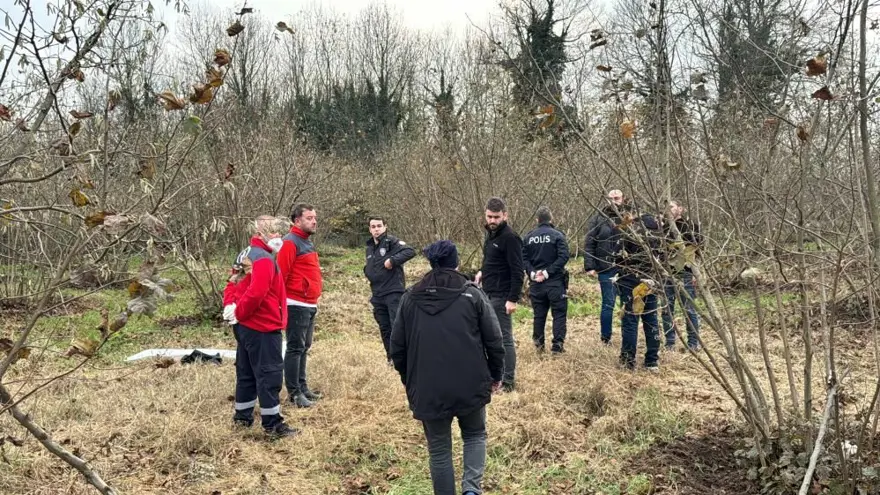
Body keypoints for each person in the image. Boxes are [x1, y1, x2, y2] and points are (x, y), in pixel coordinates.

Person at [390, 240, 504, 495]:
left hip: (428, 388)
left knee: (439, 449)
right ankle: (471, 491)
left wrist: (411, 380)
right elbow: (495, 341)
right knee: (474, 435)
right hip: (471, 383)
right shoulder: (472, 294)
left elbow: (397, 348)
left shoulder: (409, 297)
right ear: (455, 262)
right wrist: (496, 375)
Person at [222, 216, 297, 438]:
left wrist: (231, 307)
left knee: (246, 372)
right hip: (263, 326)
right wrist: (238, 311)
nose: (278, 237)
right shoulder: (263, 259)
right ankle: (273, 424)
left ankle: (242, 417)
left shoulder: (245, 254)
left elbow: (232, 284)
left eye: (279, 233)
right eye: (273, 232)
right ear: (260, 233)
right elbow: (257, 293)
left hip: (244, 326)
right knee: (269, 374)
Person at [474, 197, 524, 392]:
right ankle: (494, 376)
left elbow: (518, 271)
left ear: (505, 215)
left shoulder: (510, 238)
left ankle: (509, 382)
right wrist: (482, 272)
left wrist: (512, 299)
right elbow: (492, 261)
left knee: (504, 339)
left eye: (496, 217)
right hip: (488, 292)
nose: (492, 221)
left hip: (502, 296)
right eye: (489, 217)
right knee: (489, 337)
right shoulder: (491, 235)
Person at [277, 203, 323, 408]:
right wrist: (281, 304)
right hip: (295, 303)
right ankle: (294, 393)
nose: (313, 221)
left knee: (304, 346)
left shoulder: (307, 242)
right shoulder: (289, 242)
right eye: (309, 218)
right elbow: (280, 275)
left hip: (310, 303)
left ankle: (303, 387)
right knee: (295, 348)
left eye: (314, 218)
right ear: (297, 221)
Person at [615, 206, 664, 371]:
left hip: (631, 281)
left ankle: (628, 361)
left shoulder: (631, 231)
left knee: (630, 321)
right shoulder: (659, 232)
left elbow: (620, 257)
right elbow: (664, 259)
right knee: (651, 320)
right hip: (651, 282)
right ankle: (652, 361)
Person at [364, 216, 415, 364]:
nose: (376, 229)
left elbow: (410, 251)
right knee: (384, 327)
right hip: (377, 293)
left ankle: (404, 358)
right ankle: (391, 358)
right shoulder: (369, 246)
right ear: (369, 229)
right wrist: (367, 271)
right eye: (373, 227)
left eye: (379, 226)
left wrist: (392, 261)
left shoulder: (391, 242)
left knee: (397, 326)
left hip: (393, 291)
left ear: (385, 227)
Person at [522, 206, 570, 354]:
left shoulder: (528, 237)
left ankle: (539, 345)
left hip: (536, 283)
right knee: (559, 314)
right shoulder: (558, 235)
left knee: (539, 315)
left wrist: (532, 273)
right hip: (555, 282)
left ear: (537, 220)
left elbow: (523, 258)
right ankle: (557, 346)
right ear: (551, 219)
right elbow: (564, 256)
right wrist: (548, 272)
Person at [584, 189, 627, 344]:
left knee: (627, 304)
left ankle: (627, 336)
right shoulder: (598, 219)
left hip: (626, 267)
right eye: (611, 198)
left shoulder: (629, 217)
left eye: (617, 198)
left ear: (623, 199)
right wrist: (589, 266)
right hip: (605, 267)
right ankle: (605, 338)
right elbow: (589, 243)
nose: (614, 201)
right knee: (608, 303)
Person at [662, 200, 702, 351]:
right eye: (666, 207)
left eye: (671, 207)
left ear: (680, 209)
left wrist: (695, 273)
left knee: (689, 309)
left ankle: (693, 343)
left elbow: (697, 252)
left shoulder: (690, 228)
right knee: (667, 309)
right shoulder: (663, 229)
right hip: (667, 274)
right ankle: (670, 343)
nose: (668, 210)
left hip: (686, 273)